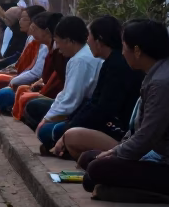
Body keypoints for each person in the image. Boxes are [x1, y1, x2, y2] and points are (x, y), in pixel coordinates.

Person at [78, 20, 169, 204]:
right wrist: (116, 152)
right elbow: (140, 131)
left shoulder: (164, 82)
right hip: (164, 160)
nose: (122, 52)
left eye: (124, 47)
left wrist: (115, 153)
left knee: (97, 169)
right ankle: (115, 188)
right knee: (89, 159)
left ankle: (147, 194)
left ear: (137, 51)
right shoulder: (158, 75)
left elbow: (147, 136)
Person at [52, 16, 144, 159]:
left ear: (99, 40)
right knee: (62, 131)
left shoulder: (119, 65)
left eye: (89, 36)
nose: (87, 41)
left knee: (63, 134)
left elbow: (103, 109)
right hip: (110, 125)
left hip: (121, 132)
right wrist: (70, 125)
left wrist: (68, 130)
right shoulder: (110, 62)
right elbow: (94, 102)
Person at [27, 15, 103, 144]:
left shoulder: (80, 60)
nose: (57, 46)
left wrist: (46, 120)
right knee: (35, 107)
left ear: (68, 40)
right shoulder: (78, 56)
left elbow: (71, 100)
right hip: (78, 108)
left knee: (45, 130)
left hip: (84, 111)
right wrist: (47, 117)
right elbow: (65, 94)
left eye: (58, 41)